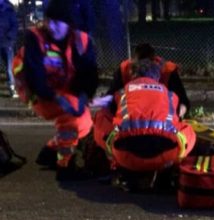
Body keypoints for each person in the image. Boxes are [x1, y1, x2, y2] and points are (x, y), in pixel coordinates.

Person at [14, 0, 98, 180]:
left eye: (57, 22)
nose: (52, 26)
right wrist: (57, 98)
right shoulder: (35, 38)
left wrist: (84, 96)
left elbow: (89, 73)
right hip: (39, 93)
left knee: (85, 123)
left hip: (66, 90)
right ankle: (65, 166)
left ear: (69, 24)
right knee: (74, 121)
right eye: (49, 21)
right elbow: (34, 75)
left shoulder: (81, 41)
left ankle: (50, 152)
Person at [93, 59, 195, 191]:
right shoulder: (169, 94)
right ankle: (170, 170)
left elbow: (108, 111)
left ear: (134, 75)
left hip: (126, 156)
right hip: (165, 157)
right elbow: (178, 116)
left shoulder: (122, 92)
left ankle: (114, 168)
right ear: (157, 77)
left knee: (100, 116)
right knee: (188, 128)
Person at [0, 0, 18, 98]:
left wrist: (9, 37)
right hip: (5, 42)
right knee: (6, 66)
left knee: (9, 67)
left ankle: (12, 87)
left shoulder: (9, 11)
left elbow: (14, 26)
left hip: (7, 44)